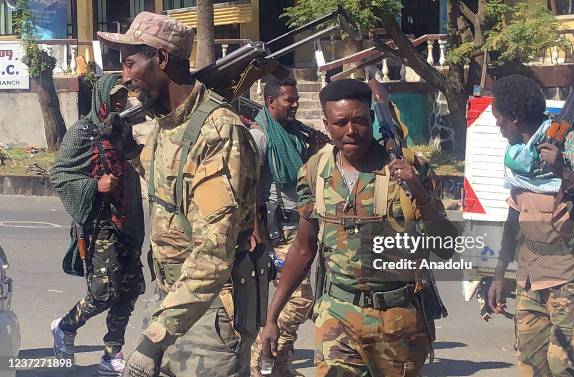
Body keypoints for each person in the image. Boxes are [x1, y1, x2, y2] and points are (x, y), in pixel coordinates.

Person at [96, 11, 261, 377]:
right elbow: (175, 192)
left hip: (208, 314)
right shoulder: (165, 123)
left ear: (162, 59)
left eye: (130, 63)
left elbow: (214, 251)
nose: (124, 77)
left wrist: (155, 339)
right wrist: (131, 155)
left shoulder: (218, 132)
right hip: (170, 299)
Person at [259, 79, 457, 377]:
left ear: (373, 119)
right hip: (337, 316)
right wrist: (272, 317)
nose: (351, 130)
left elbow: (446, 248)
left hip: (398, 320)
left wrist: (419, 191)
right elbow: (303, 248)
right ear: (327, 124)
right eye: (340, 123)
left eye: (359, 120)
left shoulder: (409, 168)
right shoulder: (314, 171)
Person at [487, 74, 574, 376]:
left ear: (514, 118)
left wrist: (564, 173)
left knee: (564, 368)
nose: (497, 125)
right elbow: (513, 219)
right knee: (530, 366)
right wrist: (499, 275)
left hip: (570, 279)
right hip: (530, 280)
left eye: (499, 119)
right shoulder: (519, 159)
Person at [49, 73, 146, 376]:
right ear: (101, 96)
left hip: (128, 221)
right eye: (115, 95)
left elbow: (137, 163)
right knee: (104, 291)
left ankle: (111, 353)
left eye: (124, 95)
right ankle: (65, 326)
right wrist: (95, 185)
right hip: (100, 224)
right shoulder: (82, 132)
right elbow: (60, 175)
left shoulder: (123, 129)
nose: (121, 100)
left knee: (129, 289)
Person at [249, 77, 327, 377]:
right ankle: (258, 359)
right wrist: (257, 232)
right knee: (298, 299)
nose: (295, 104)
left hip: (300, 228)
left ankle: (281, 366)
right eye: (288, 100)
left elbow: (302, 179)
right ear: (270, 103)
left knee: (293, 299)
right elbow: (247, 189)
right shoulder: (260, 136)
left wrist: (315, 151)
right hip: (275, 232)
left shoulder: (293, 134)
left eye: (295, 99)